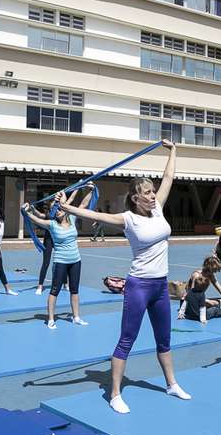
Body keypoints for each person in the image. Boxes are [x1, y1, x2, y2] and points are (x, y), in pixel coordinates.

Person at [56, 140, 191, 414]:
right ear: (135, 198)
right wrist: (68, 209)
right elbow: (95, 214)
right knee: (126, 339)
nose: (153, 196)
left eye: (153, 192)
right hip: (138, 286)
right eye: (147, 193)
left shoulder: (158, 209)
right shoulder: (128, 219)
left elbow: (169, 177)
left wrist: (173, 150)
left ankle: (171, 383)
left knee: (164, 340)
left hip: (160, 287)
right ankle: (115, 394)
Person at [23, 184, 95, 328]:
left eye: (59, 208)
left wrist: (91, 190)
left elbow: (84, 204)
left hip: (76, 260)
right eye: (55, 210)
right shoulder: (51, 224)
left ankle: (76, 317)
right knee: (54, 290)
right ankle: (50, 319)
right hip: (61, 261)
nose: (58, 212)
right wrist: (26, 211)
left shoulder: (72, 218)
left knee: (74, 290)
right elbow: (35, 220)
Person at [179, 255, 221, 323]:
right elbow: (192, 295)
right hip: (188, 304)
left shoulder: (210, 275)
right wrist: (207, 302)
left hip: (195, 302)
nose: (215, 273)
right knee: (214, 308)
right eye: (214, 271)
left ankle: (209, 306)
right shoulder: (197, 276)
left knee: (219, 302)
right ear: (210, 269)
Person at [29, 203, 54, 296]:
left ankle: (65, 283)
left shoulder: (60, 215)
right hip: (48, 240)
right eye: (51, 206)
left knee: (62, 262)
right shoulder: (48, 215)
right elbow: (39, 215)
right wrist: (33, 209)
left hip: (58, 239)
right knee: (46, 263)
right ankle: (40, 286)